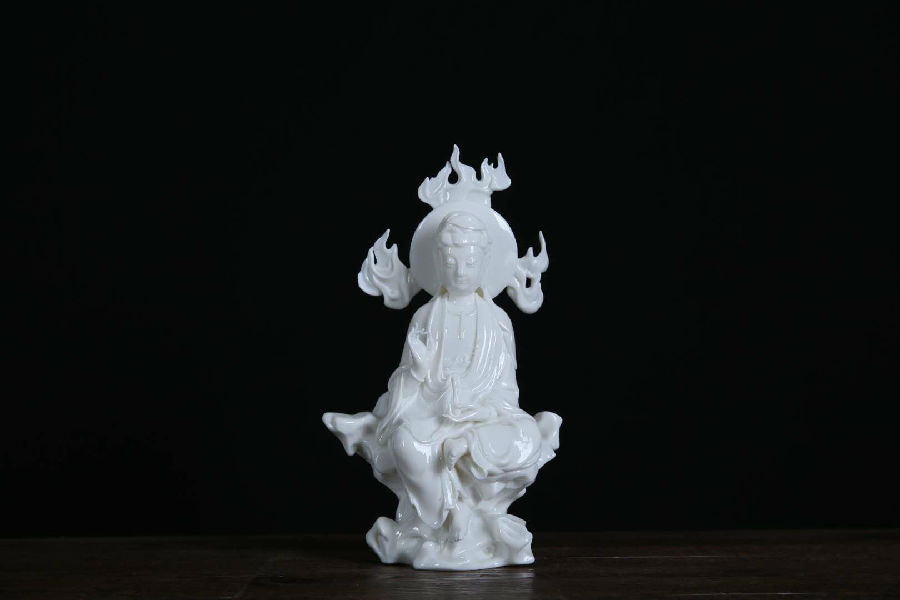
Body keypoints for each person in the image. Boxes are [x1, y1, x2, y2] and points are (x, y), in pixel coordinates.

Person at [324, 210, 560, 569]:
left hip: (482, 421)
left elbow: (507, 393)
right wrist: (418, 372)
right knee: (404, 442)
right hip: (433, 415)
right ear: (437, 263)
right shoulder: (425, 317)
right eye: (451, 261)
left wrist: (478, 410)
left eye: (470, 261)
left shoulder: (497, 320)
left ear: (485, 263)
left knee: (526, 434)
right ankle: (451, 513)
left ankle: (468, 452)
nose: (460, 270)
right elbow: (405, 385)